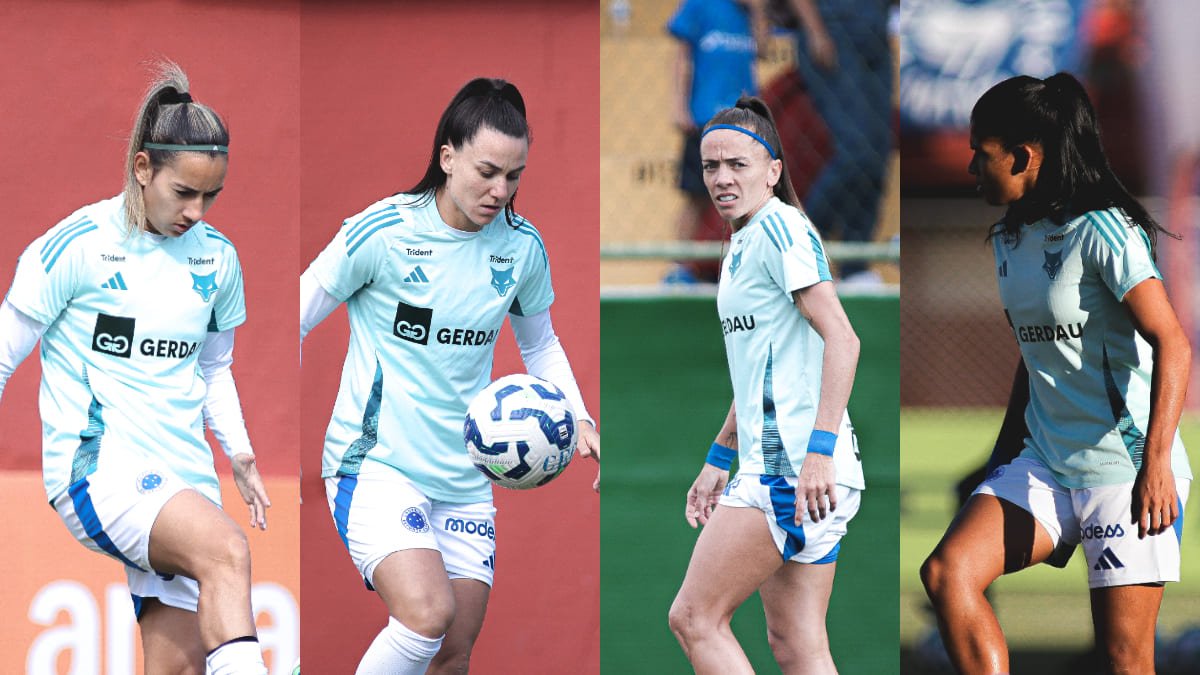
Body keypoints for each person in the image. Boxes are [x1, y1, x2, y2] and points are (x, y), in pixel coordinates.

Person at [299, 77, 600, 674]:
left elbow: (540, 344)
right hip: (377, 466)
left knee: (452, 655)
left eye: (514, 176)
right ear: (447, 157)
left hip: (467, 478)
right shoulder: (382, 232)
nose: (500, 191)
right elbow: (293, 317)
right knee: (426, 615)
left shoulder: (522, 248)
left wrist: (580, 417)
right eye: (487, 172)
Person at [0, 61, 270, 674]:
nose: (197, 211)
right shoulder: (76, 246)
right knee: (227, 550)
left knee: (179, 666)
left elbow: (214, 370)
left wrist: (240, 451)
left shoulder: (219, 260)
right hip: (99, 468)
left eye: (211, 196)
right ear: (143, 168)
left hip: (186, 477)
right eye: (184, 192)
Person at [920, 72, 1192, 674]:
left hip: (1124, 465)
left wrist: (1156, 463)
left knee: (1124, 660)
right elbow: (1036, 357)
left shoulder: (1103, 229)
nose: (971, 167)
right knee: (947, 572)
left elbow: (1173, 343)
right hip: (1047, 459)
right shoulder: (1007, 240)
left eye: (981, 153)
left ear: (1022, 157)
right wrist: (1003, 457)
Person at [667, 96, 864, 674]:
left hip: (793, 468)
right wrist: (719, 454)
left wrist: (818, 452)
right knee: (798, 646)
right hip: (799, 468)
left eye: (738, 164)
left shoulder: (779, 226)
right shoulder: (742, 239)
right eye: (711, 166)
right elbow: (761, 368)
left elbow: (844, 339)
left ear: (773, 171)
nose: (722, 178)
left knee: (694, 618)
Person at [784, 0, 893, 282]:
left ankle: (854, 267)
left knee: (877, 156)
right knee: (857, 151)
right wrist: (815, 31)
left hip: (877, 38)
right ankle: (798, 246)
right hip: (834, 32)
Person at [664, 0, 760, 284]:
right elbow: (682, 58)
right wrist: (679, 105)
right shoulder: (699, 5)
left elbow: (764, 49)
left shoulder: (748, 10)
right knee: (696, 196)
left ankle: (743, 268)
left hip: (744, 123)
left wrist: (757, 10)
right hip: (705, 119)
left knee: (746, 197)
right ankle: (679, 269)